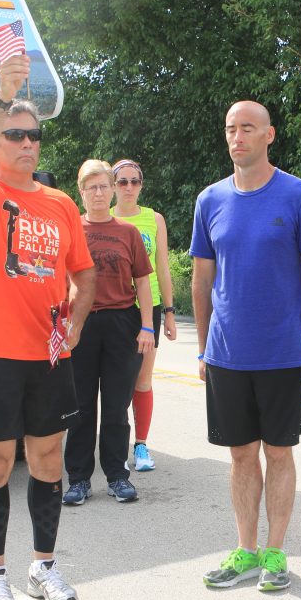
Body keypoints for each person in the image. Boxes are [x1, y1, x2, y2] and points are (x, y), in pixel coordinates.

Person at [0, 55, 96, 600]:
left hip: (48, 355)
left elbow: (83, 273)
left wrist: (76, 324)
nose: (27, 142)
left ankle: (44, 566)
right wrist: (2, 97)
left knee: (49, 458)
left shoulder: (60, 203)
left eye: (34, 135)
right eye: (15, 134)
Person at [192, 100, 301, 592]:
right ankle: (246, 550)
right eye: (231, 128)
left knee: (279, 453)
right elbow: (202, 279)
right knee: (240, 456)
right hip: (227, 353)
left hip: (281, 353)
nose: (238, 137)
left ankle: (276, 552)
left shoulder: (299, 196)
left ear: (269, 135)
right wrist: (203, 348)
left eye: (248, 128)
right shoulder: (209, 200)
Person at [62, 160, 154, 506]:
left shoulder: (128, 233)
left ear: (113, 190)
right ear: (81, 192)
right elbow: (59, 280)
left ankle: (117, 476)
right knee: (81, 406)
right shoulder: (71, 230)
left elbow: (142, 282)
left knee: (116, 405)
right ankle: (78, 480)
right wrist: (62, 324)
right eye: (92, 188)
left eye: (104, 186)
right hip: (81, 324)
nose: (99, 193)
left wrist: (147, 326)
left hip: (121, 323)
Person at [111, 158, 177, 472]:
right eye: (122, 182)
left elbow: (162, 267)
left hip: (147, 310)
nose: (129, 187)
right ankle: (116, 446)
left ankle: (141, 445)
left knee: (142, 379)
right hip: (115, 308)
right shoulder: (104, 216)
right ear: (113, 186)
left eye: (134, 181)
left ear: (141, 185)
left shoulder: (154, 219)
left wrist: (170, 311)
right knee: (117, 382)